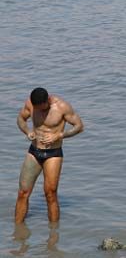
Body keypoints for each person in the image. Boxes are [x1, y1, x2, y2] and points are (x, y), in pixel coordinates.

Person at [15, 87, 84, 223]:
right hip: (34, 151)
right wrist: (27, 131)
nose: (39, 110)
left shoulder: (62, 107)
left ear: (48, 100)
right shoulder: (31, 104)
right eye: (37, 108)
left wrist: (60, 135)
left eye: (42, 107)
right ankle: (17, 234)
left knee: (50, 194)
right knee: (23, 193)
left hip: (53, 154)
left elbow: (79, 126)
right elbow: (21, 119)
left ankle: (53, 236)